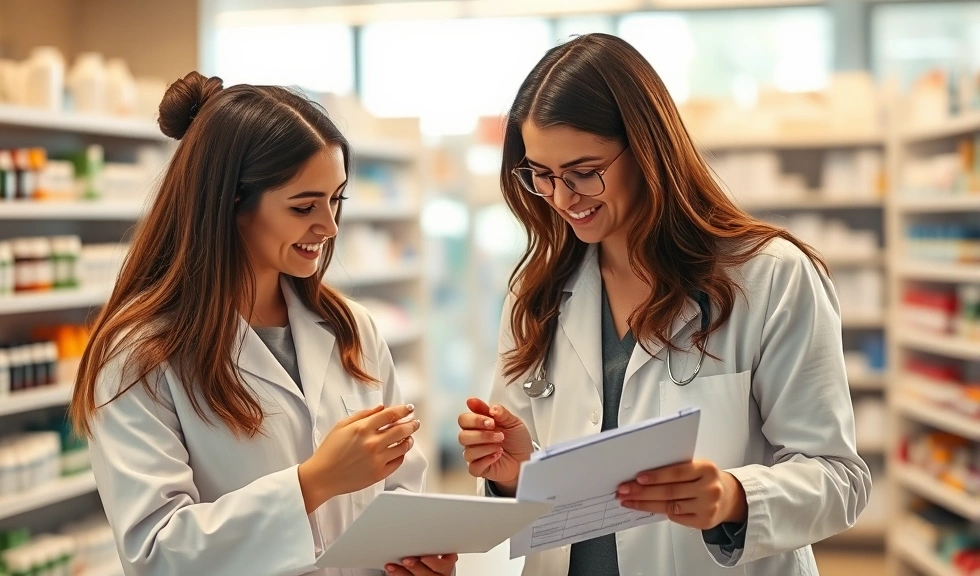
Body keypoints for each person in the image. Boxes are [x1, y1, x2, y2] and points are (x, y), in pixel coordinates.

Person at [457, 33, 871, 576]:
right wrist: (512, 472)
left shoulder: (770, 276)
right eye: (542, 175)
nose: (561, 198)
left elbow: (839, 476)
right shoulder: (536, 292)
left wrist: (732, 496)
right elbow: (538, 494)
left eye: (584, 172)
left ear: (646, 148)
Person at [69, 72, 456, 576]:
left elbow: (401, 484)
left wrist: (415, 557)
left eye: (337, 199)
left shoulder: (351, 328)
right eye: (303, 206)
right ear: (231, 202)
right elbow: (157, 553)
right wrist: (313, 482)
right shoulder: (139, 356)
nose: (329, 226)